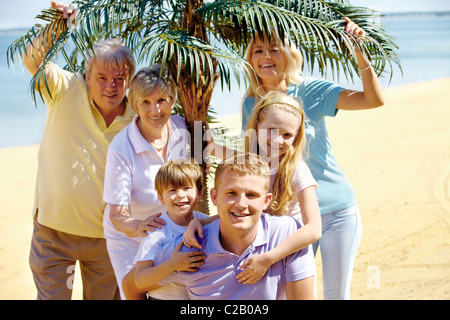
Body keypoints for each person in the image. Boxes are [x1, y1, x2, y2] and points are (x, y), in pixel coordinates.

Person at [241, 18, 385, 299]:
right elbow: (253, 162)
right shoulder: (250, 102)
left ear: (289, 54)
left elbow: (373, 100)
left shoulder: (311, 90)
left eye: (274, 48)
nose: (265, 57)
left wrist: (359, 52)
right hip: (291, 218)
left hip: (335, 212)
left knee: (334, 295)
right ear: (250, 58)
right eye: (258, 50)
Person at [24, 1, 136, 300]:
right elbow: (32, 60)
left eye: (119, 79)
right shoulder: (64, 89)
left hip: (107, 239)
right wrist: (58, 24)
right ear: (88, 76)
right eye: (102, 77)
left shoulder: (139, 115)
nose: (110, 86)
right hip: (53, 234)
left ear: (129, 81)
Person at [184, 92, 322, 286]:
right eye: (271, 130)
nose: (278, 140)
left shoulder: (297, 170)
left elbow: (314, 229)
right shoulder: (250, 163)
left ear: (296, 137)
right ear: (257, 126)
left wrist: (268, 259)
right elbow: (213, 149)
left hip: (289, 255)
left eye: (287, 135)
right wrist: (200, 222)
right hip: (258, 252)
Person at [154, 153, 317, 299]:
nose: (241, 204)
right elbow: (133, 285)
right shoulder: (190, 247)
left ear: (266, 201)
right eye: (232, 193)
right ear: (214, 196)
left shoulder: (287, 234)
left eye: (252, 195)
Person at [102, 65, 189, 299]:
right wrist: (138, 226)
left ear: (173, 100)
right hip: (129, 238)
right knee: (136, 292)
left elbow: (209, 150)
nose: (155, 110)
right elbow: (117, 216)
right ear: (135, 105)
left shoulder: (183, 127)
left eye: (162, 100)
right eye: (146, 102)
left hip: (170, 229)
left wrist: (255, 153)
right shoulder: (121, 149)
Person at [121, 160, 209, 300]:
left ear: (200, 193)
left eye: (186, 188)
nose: (180, 195)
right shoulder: (158, 229)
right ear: (161, 197)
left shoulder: (206, 222)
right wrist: (172, 264)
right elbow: (139, 280)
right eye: (172, 190)